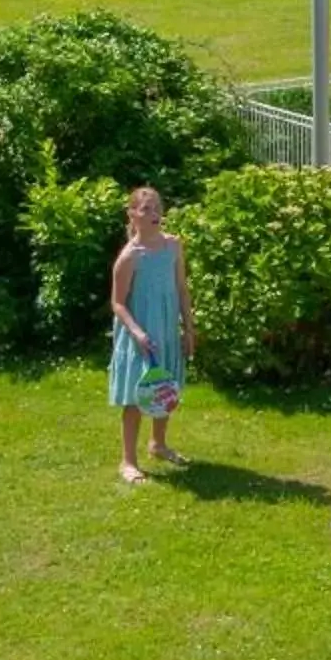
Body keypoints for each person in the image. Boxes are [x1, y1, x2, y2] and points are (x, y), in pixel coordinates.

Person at [107, 187, 194, 483]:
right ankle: (127, 462)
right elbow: (117, 303)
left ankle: (158, 444)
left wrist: (188, 329)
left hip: (167, 331)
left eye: (156, 207)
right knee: (135, 397)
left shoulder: (174, 247)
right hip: (139, 336)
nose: (153, 213)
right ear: (132, 215)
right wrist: (137, 332)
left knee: (165, 389)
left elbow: (182, 289)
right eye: (145, 209)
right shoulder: (130, 256)